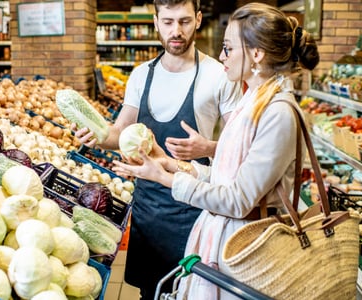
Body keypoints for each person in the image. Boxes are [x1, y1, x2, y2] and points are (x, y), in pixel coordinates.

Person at [111, 2, 320, 299]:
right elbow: (226, 176)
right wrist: (170, 164)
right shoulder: (254, 104)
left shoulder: (278, 113)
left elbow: (237, 200)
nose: (222, 56)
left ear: (256, 54)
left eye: (229, 48)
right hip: (223, 239)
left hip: (244, 248)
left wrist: (167, 179)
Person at [73, 0, 241, 298]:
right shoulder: (141, 75)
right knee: (150, 292)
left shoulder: (218, 75)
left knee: (191, 292)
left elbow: (239, 147)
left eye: (184, 21)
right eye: (168, 21)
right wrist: (96, 135)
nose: (176, 31)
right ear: (155, 21)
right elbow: (119, 133)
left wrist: (208, 146)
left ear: (199, 19)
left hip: (196, 206)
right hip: (148, 209)